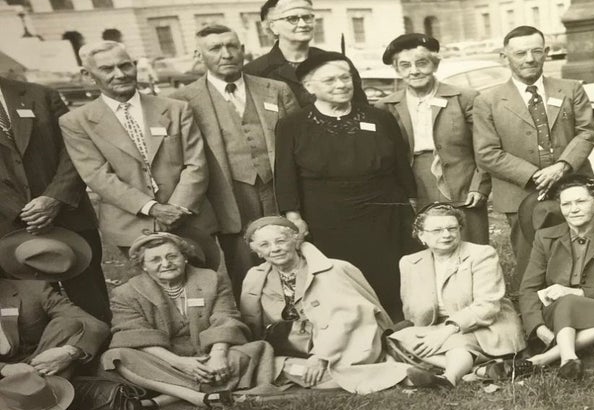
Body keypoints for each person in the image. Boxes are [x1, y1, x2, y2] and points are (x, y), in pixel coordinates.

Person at [273, 58, 416, 319]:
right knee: (341, 278)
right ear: (309, 86)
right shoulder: (292, 125)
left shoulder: (379, 117)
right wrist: (293, 216)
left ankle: (397, 328)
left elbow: (401, 165)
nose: (341, 85)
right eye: (330, 80)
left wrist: (411, 203)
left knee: (390, 275)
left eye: (345, 78)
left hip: (384, 214)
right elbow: (284, 174)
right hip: (327, 218)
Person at [59, 40, 221, 265]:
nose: (120, 74)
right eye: (107, 69)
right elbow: (97, 176)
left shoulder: (175, 108)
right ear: (88, 75)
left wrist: (177, 208)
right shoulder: (76, 122)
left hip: (190, 219)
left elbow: (196, 162)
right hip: (131, 225)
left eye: (125, 65)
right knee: (153, 295)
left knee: (204, 288)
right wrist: (153, 209)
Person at [175, 23, 300, 292]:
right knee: (244, 266)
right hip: (228, 195)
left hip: (277, 189)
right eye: (215, 48)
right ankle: (255, 320)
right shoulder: (183, 100)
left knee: (290, 252)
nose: (226, 54)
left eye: (232, 46)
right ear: (200, 56)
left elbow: (299, 145)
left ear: (243, 50)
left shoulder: (276, 90)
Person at [471, 25, 594, 272]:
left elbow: (587, 132)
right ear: (504, 57)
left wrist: (561, 167)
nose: (529, 59)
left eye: (536, 51)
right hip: (520, 193)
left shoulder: (571, 89)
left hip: (573, 184)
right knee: (531, 261)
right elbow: (486, 152)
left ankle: (585, 304)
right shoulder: (488, 101)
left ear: (546, 52)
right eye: (520, 54)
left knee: (585, 255)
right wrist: (533, 175)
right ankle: (534, 307)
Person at [238, 215, 412, 392]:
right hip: (293, 348)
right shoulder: (255, 278)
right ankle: (382, 375)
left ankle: (392, 374)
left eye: (281, 241)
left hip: (339, 344)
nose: (275, 249)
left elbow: (350, 318)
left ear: (295, 241)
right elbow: (253, 323)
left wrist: (321, 356)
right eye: (264, 245)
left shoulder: (334, 269)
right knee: (271, 364)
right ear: (257, 252)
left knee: (315, 369)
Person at [102, 231, 273, 410]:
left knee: (249, 352)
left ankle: (162, 400)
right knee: (116, 357)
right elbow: (135, 335)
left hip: (208, 355)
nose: (166, 264)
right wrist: (179, 363)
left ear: (184, 258)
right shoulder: (126, 293)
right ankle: (198, 397)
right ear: (143, 266)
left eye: (172, 256)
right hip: (164, 361)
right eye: (155, 260)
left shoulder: (211, 279)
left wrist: (218, 356)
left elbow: (226, 317)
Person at [0, 71, 110, 321]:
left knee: (93, 307)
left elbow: (76, 150)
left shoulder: (41, 95)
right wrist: (21, 211)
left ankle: (101, 355)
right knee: (30, 314)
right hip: (7, 229)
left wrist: (54, 199)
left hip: (69, 219)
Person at [375, 33, 490, 246]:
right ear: (397, 69)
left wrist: (478, 186)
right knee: (424, 245)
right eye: (405, 65)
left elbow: (484, 147)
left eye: (422, 63)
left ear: (435, 65)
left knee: (469, 245)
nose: (414, 71)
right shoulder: (386, 107)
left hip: (461, 181)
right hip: (413, 184)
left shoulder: (464, 97)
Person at [392, 203, 524, 385]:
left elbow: (487, 306)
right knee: (397, 338)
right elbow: (412, 309)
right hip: (438, 328)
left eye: (452, 228)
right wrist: (426, 333)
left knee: (457, 342)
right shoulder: (410, 262)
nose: (446, 234)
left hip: (485, 325)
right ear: (421, 235)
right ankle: (479, 370)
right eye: (437, 230)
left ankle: (448, 379)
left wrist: (445, 332)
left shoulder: (482, 254)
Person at [517, 174, 594, 381]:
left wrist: (576, 292)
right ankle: (568, 356)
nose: (573, 209)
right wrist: (538, 327)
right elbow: (528, 289)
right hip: (554, 315)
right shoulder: (545, 238)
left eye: (581, 201)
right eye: (566, 204)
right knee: (567, 302)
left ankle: (547, 358)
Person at [0, 228, 108, 379]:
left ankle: (42, 394)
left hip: (36, 369)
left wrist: (70, 352)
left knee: (68, 325)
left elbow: (95, 324)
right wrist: (4, 369)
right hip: (5, 374)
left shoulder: (33, 289)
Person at [243, 0, 363, 102]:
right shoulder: (255, 72)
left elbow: (362, 109)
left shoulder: (337, 62)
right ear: (273, 27)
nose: (303, 24)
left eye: (307, 17)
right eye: (292, 18)